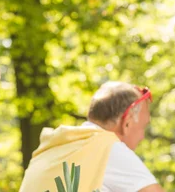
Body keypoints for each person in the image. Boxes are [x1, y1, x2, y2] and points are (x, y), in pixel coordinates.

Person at [20, 81, 164, 192]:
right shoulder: (106, 146)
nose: (143, 136)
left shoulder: (53, 148)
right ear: (126, 123)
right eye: (143, 127)